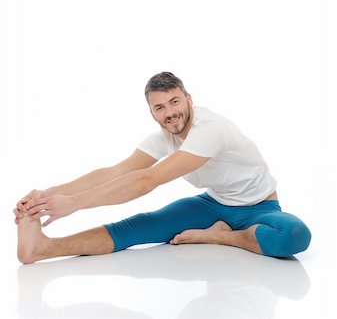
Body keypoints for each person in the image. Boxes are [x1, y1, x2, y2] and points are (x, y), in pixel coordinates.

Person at [14, 72, 311, 264]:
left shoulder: (210, 129)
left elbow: (147, 180)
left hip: (259, 207)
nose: (170, 113)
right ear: (151, 112)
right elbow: (116, 172)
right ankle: (44, 248)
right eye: (160, 108)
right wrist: (44, 197)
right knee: (138, 226)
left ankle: (217, 236)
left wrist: (74, 204)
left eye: (174, 102)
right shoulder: (163, 138)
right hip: (213, 205)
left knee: (295, 235)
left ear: (188, 99)